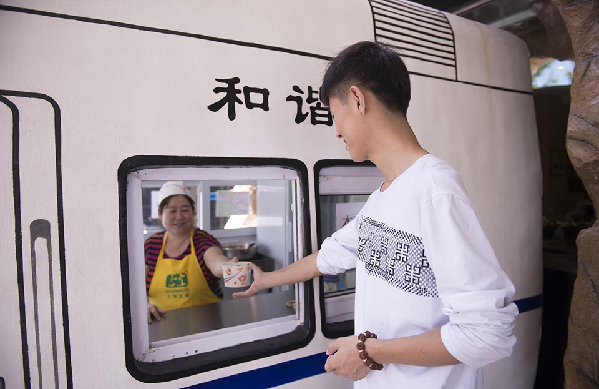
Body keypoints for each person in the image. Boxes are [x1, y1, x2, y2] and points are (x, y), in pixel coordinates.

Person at [234, 41, 518, 388]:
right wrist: (266, 280)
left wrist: (370, 353)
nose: (336, 130)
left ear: (357, 99)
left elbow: (485, 333)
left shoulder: (435, 188)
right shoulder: (380, 200)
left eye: (335, 115)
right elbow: (329, 256)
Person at [145, 181, 237, 324]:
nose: (179, 216)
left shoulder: (203, 240)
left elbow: (215, 260)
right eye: (172, 211)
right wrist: (142, 306)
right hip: (160, 327)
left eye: (185, 210)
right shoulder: (151, 245)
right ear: (160, 213)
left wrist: (227, 267)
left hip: (206, 325)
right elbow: (134, 286)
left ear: (193, 212)